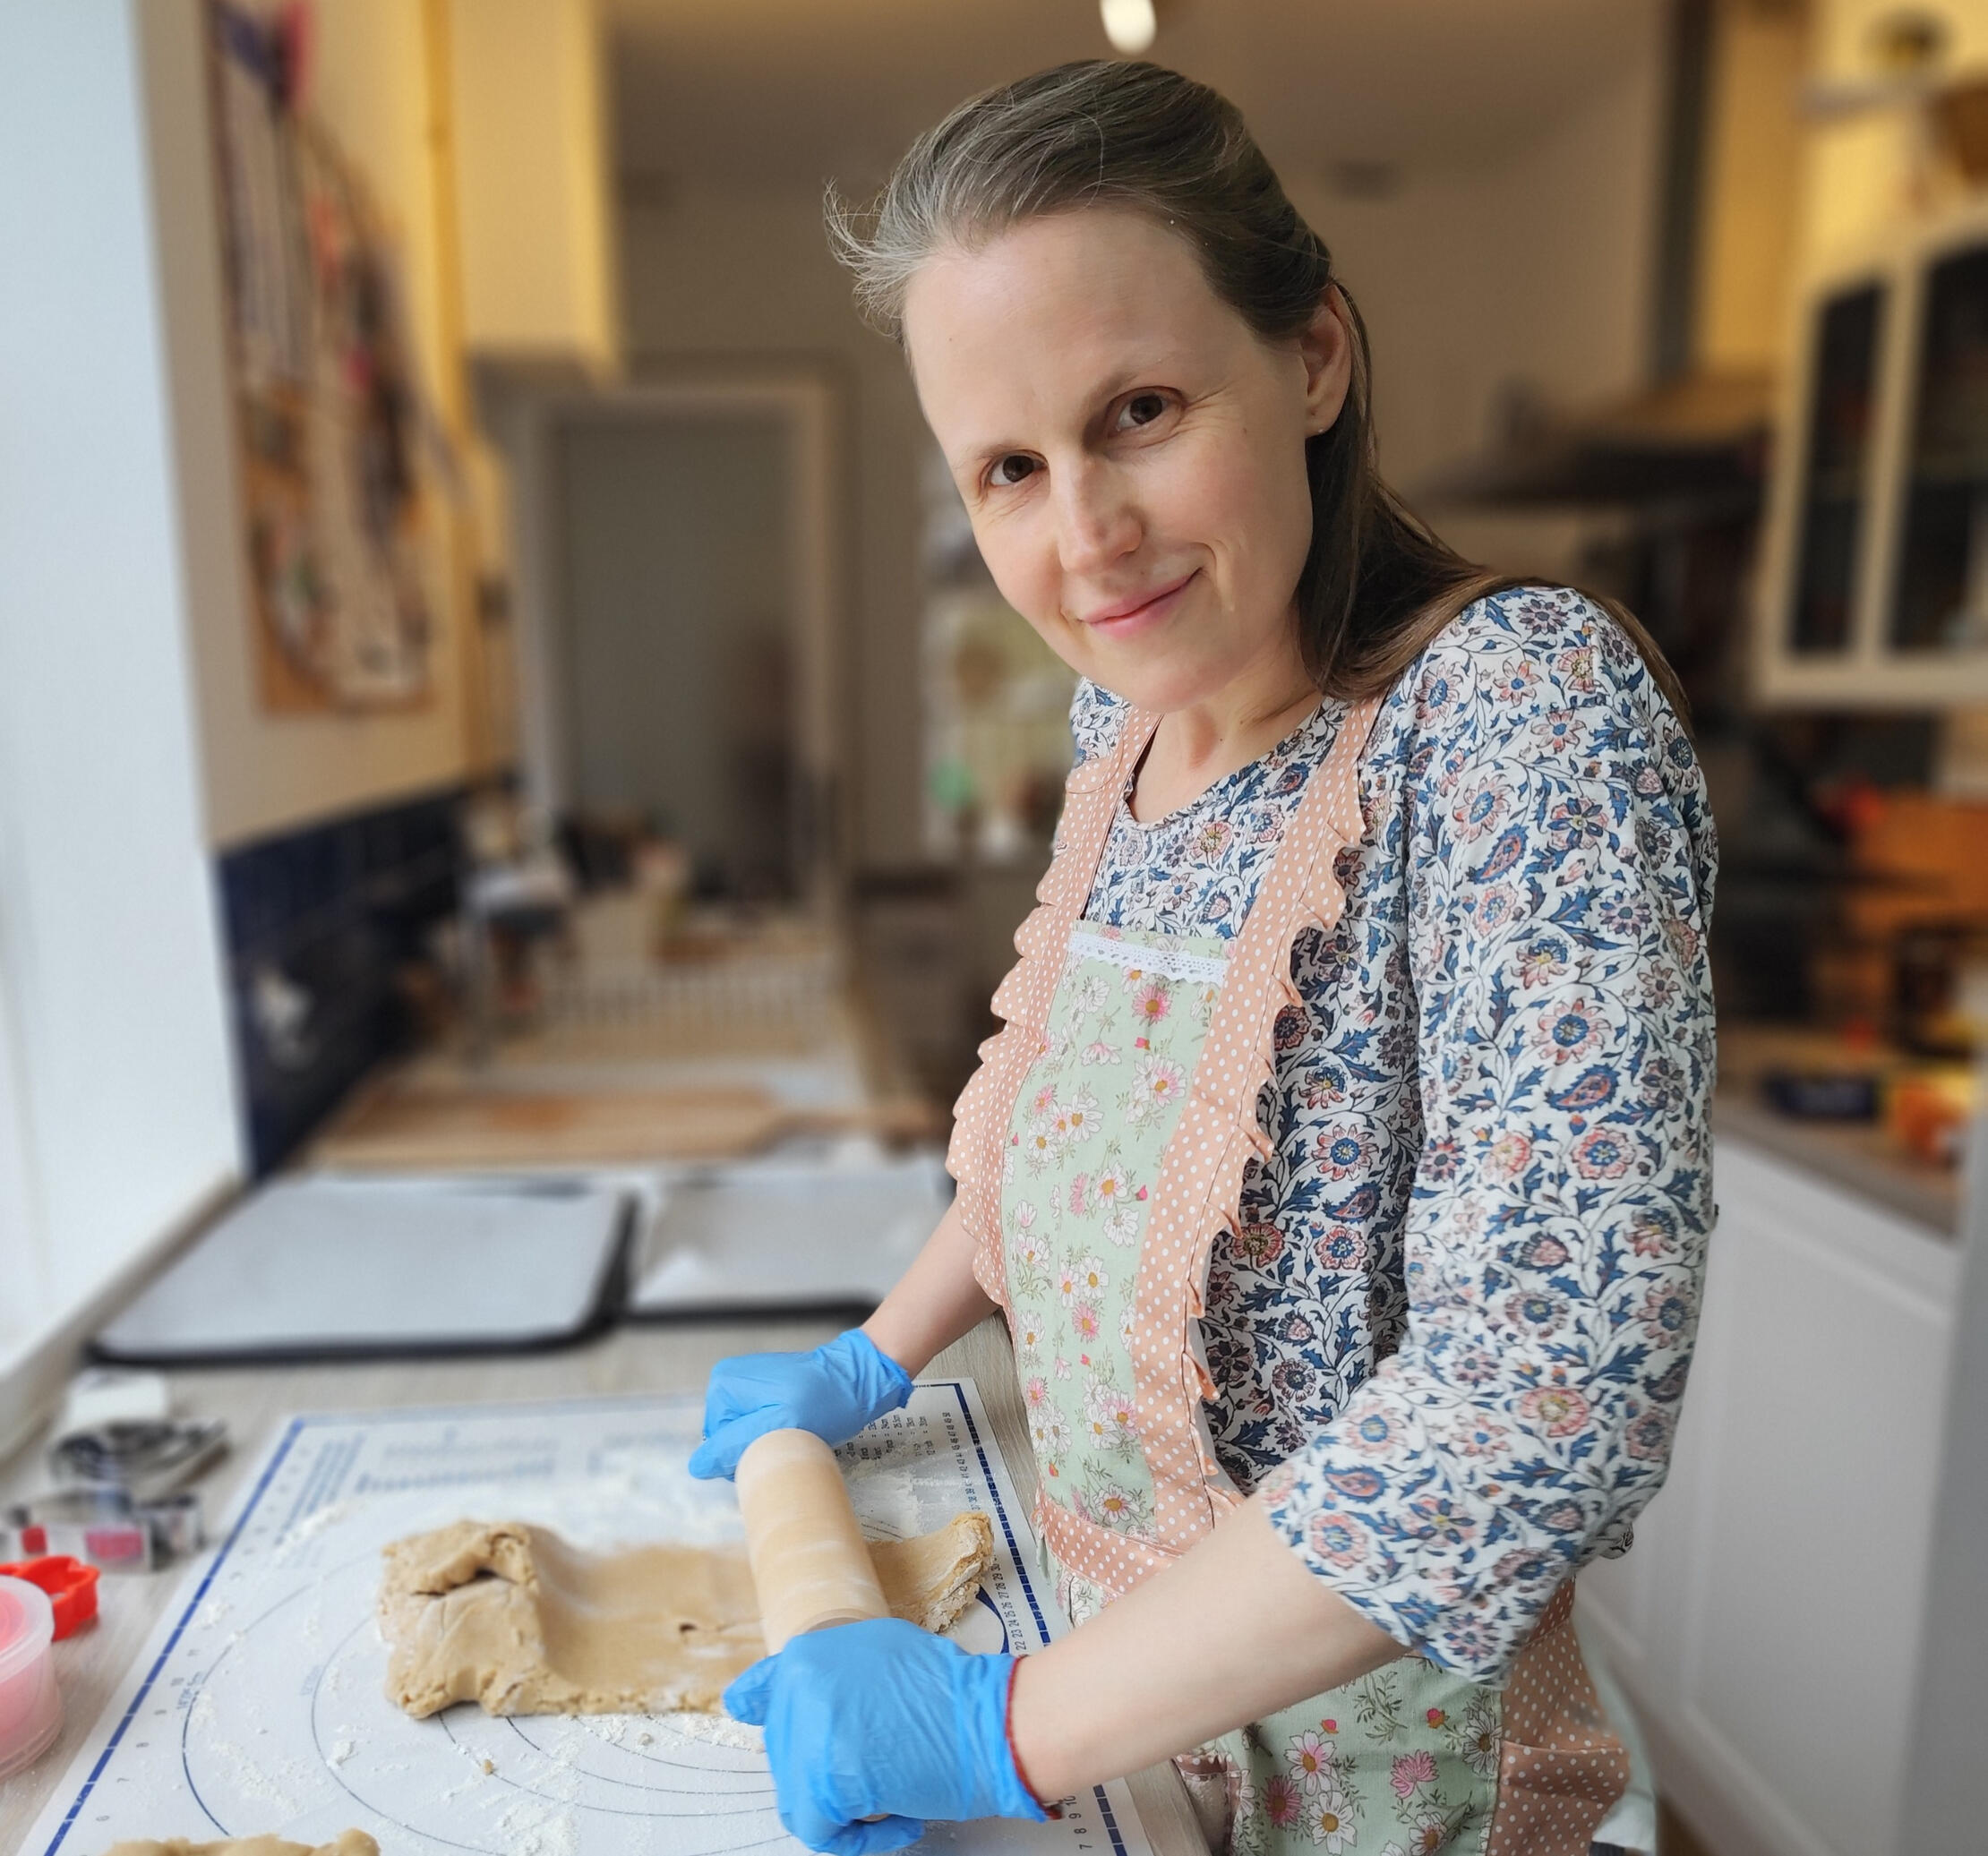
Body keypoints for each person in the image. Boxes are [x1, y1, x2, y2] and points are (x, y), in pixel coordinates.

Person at [695, 59, 1716, 1856]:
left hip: (1403, 1790)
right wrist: (871, 1353)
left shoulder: (1515, 713)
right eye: (1008, 466)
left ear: (1312, 355)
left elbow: (1540, 1396)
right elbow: (1066, 1133)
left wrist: (1007, 1726)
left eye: (1140, 410)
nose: (1081, 534)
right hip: (1141, 1739)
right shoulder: (1128, 730)